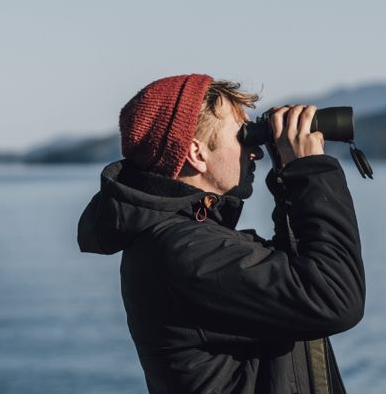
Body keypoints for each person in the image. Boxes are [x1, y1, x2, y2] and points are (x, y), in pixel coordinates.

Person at [78, 74, 365, 393]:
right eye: (243, 136)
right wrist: (309, 168)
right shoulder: (183, 252)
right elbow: (333, 297)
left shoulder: (188, 240)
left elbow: (299, 273)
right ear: (196, 153)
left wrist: (288, 173)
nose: (256, 152)